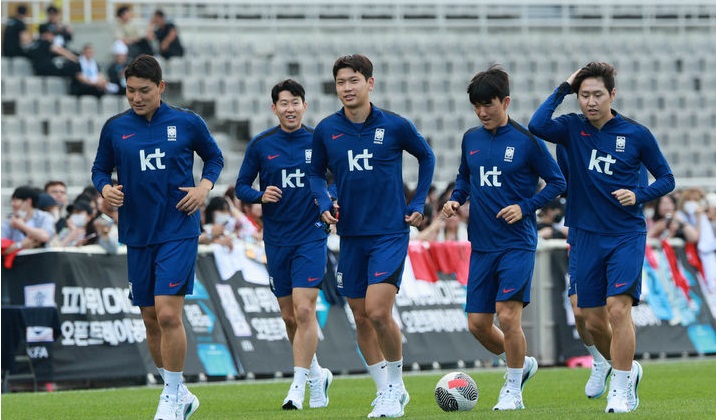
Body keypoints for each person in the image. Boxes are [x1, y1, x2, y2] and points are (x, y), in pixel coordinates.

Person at [528, 62, 675, 413]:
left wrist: (638, 195)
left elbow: (666, 179)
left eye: (597, 94)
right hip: (585, 235)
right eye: (584, 95)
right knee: (589, 317)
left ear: (612, 95)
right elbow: (536, 125)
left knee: (618, 309)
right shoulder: (570, 128)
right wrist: (563, 87)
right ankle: (617, 365)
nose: (591, 102)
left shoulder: (636, 134)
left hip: (625, 234)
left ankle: (622, 388)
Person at [91, 54, 224, 420]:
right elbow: (99, 168)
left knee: (167, 314)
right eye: (130, 91)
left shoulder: (186, 121)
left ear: (161, 87)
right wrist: (105, 188)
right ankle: (179, 392)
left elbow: (214, 158)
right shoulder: (115, 127)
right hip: (137, 232)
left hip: (178, 228)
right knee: (150, 317)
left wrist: (204, 188)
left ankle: (171, 395)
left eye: (144, 91)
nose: (136, 97)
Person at [309, 54, 435, 418]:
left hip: (389, 233)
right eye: (341, 82)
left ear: (370, 83)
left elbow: (426, 157)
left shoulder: (395, 125)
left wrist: (419, 201)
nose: (347, 88)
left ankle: (395, 385)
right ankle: (385, 390)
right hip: (351, 236)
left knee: (379, 312)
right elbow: (315, 173)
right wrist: (323, 202)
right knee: (360, 316)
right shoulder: (326, 130)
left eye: (354, 81)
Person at [441, 65, 565, 411]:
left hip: (516, 243)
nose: (482, 112)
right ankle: (520, 362)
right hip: (482, 243)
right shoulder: (471, 139)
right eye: (476, 106)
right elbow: (464, 177)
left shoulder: (527, 141)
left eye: (488, 105)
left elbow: (558, 182)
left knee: (508, 316)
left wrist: (525, 207)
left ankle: (512, 389)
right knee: (478, 325)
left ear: (505, 102)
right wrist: (455, 199)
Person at [235, 79, 333, 410]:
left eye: (295, 102)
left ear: (305, 105)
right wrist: (260, 195)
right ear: (274, 108)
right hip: (277, 239)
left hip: (311, 235)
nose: (290, 109)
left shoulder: (319, 140)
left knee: (305, 310)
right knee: (289, 316)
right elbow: (241, 187)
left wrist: (327, 202)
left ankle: (297, 387)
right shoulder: (262, 145)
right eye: (284, 103)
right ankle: (317, 374)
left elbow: (339, 181)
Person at [2, 186, 57, 253]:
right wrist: (21, 244)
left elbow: (45, 236)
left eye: (15, 201)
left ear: (28, 202)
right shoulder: (9, 221)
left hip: (42, 257)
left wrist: (22, 226)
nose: (12, 204)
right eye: (12, 201)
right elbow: (2, 249)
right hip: (18, 258)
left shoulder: (44, 217)